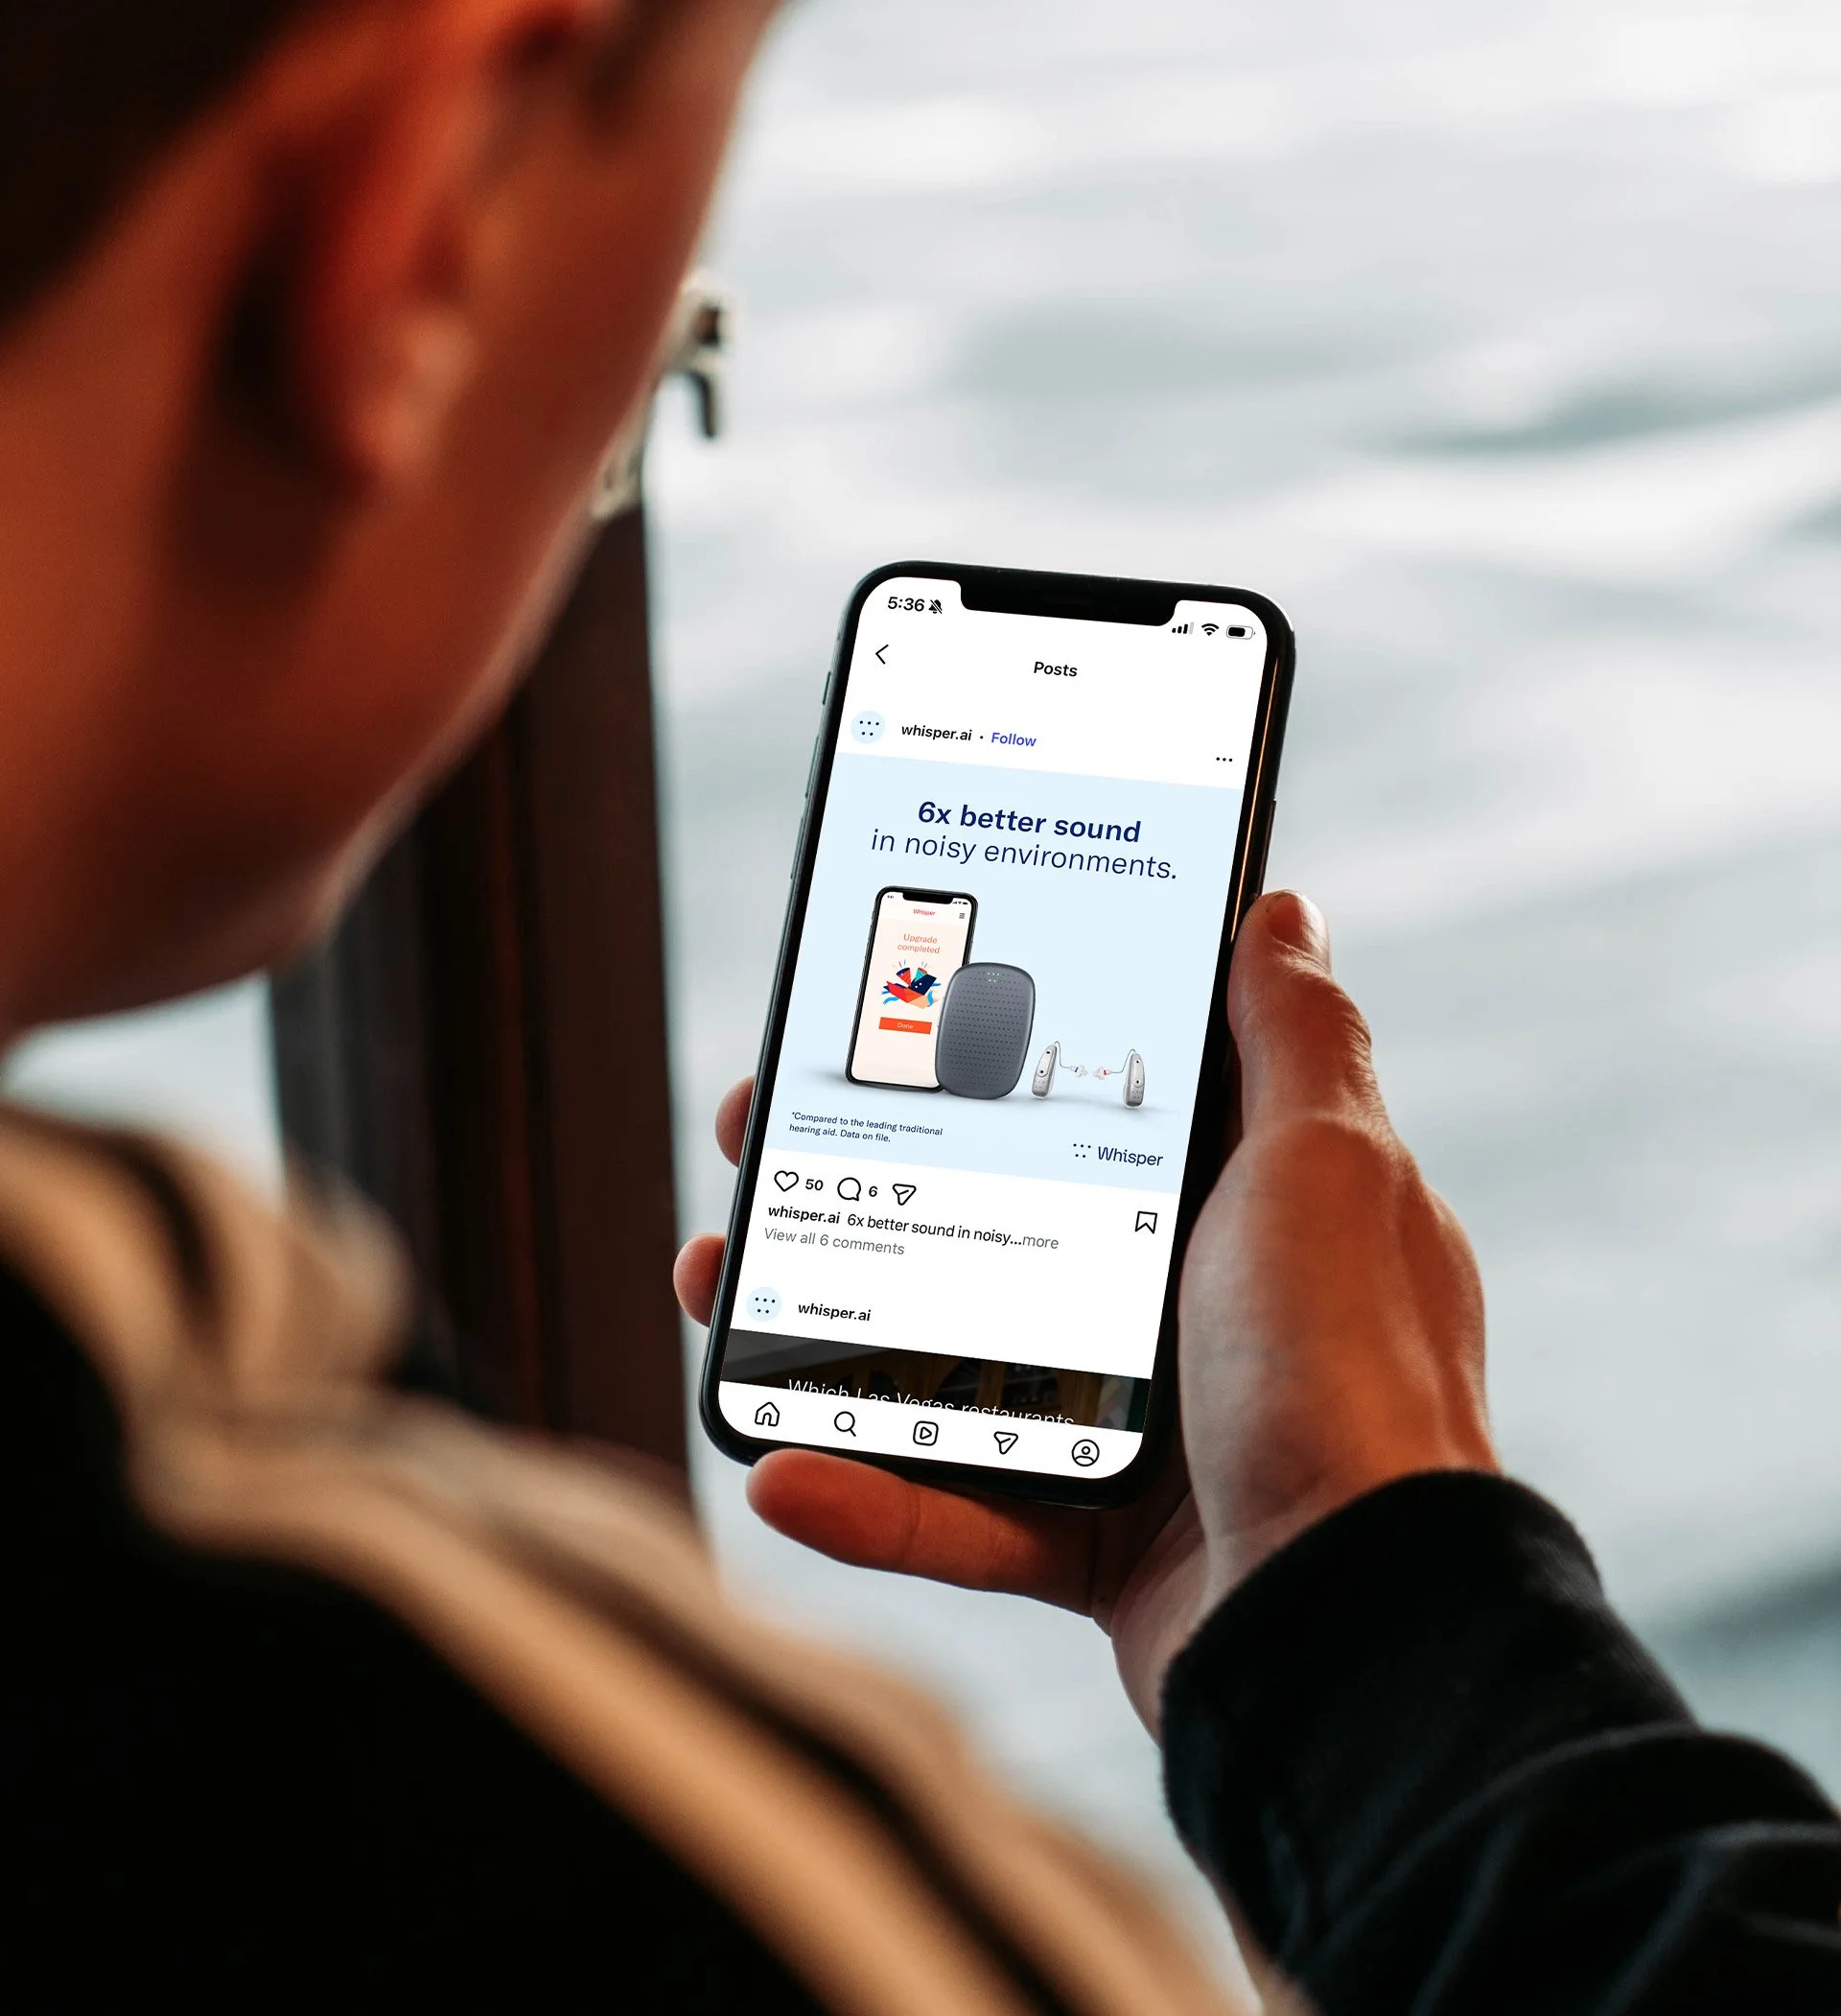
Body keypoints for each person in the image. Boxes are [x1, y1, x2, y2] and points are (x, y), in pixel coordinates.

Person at [0, 0, 1835, 2009]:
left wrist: (1292, 1596)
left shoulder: (178, 1330)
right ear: (424, 213)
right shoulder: (506, 1831)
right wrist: (1382, 1583)